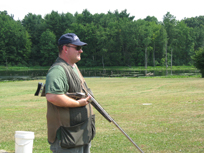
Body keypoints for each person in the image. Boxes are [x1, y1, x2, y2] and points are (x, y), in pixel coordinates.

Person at [45, 33, 95, 153]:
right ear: (65, 48)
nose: (81, 51)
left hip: (80, 133)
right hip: (68, 137)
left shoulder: (73, 67)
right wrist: (78, 104)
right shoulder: (58, 70)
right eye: (77, 48)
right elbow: (53, 96)